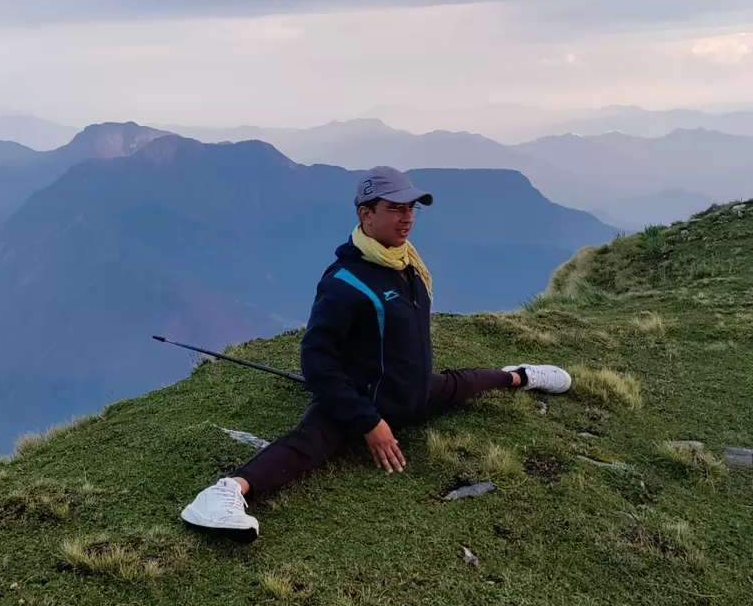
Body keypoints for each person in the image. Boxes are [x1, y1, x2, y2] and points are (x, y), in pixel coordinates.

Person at [180, 166, 572, 540]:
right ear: (365, 215)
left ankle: (521, 375)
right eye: (395, 208)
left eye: (410, 208)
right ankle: (225, 493)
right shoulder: (344, 282)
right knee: (308, 444)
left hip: (413, 391)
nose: (407, 218)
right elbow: (316, 362)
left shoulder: (407, 264)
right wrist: (369, 422)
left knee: (465, 383)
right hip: (364, 402)